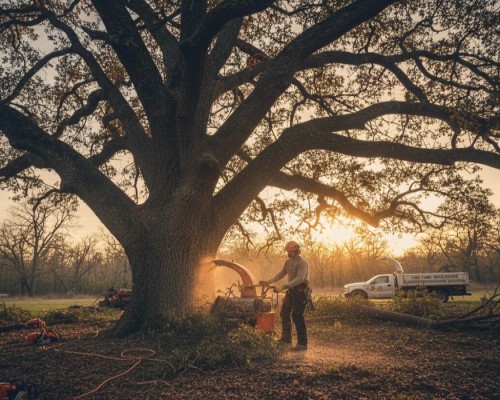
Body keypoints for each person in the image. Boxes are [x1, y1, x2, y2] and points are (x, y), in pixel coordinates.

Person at [259, 240, 310, 351]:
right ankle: (286, 339)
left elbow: (300, 279)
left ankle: (302, 343)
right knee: (284, 313)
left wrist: (284, 286)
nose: (287, 253)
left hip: (301, 291)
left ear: (296, 251)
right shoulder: (288, 262)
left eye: (290, 251)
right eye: (287, 251)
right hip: (291, 291)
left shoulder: (302, 263)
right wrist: (269, 281)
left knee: (297, 315)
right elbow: (281, 273)